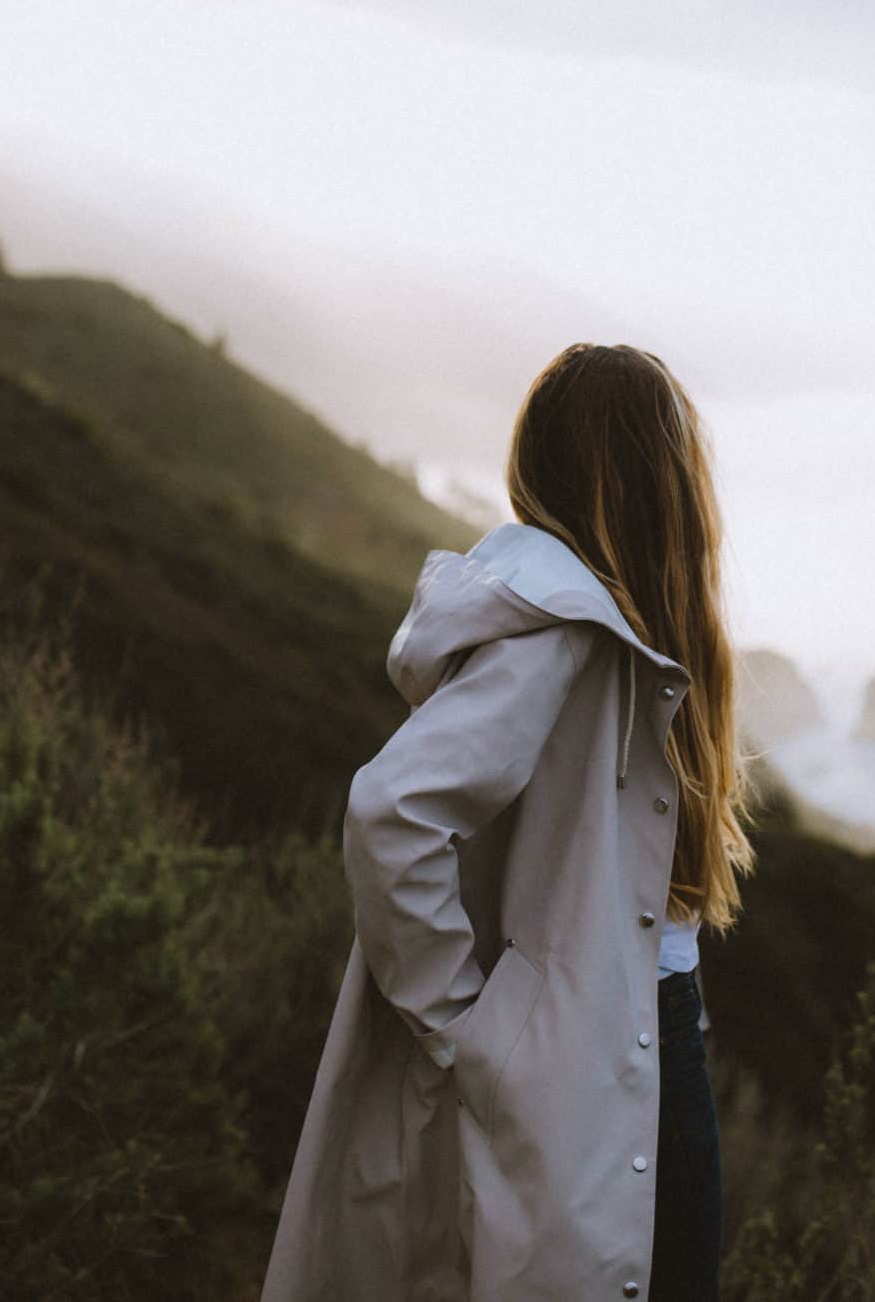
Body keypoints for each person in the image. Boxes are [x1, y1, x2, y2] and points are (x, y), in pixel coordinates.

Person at [260, 342, 761, 1300]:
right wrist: (465, 1023)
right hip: (601, 1037)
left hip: (640, 1025)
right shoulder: (564, 634)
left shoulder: (598, 631)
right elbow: (389, 810)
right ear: (661, 485)